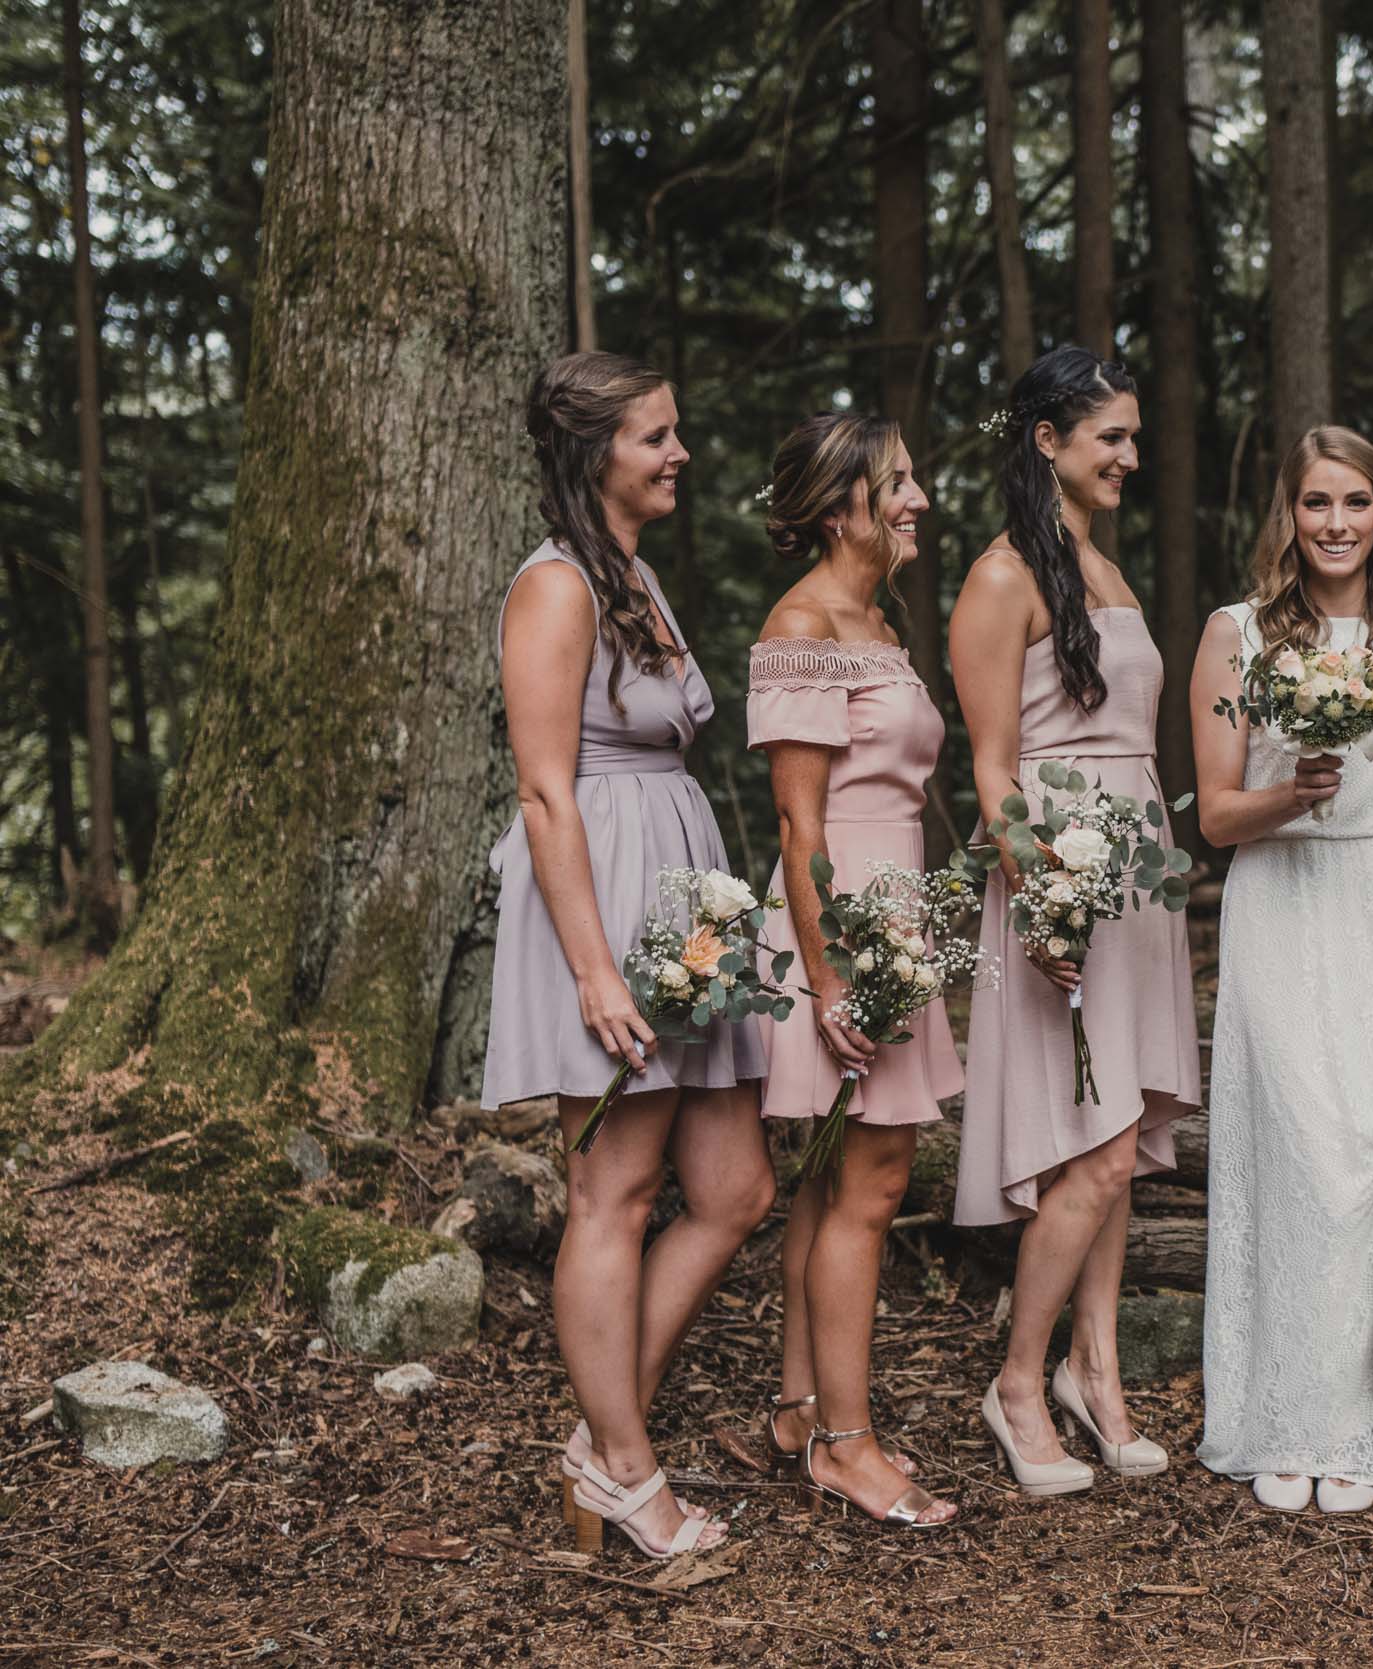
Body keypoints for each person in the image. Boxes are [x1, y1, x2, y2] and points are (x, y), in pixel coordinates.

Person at [485, 351, 772, 1558]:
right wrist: (597, 970)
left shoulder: (632, 573)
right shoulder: (555, 588)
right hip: (598, 909)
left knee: (736, 1188)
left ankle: (601, 1440)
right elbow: (547, 793)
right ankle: (625, 1466)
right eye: (656, 435)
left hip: (676, 910)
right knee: (614, 1189)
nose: (678, 453)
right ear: (594, 450)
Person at [1189, 427, 1373, 1515]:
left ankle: (1357, 1419)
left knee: (1370, 1146)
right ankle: (1282, 1414)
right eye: (1316, 503)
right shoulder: (1234, 636)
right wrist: (1294, 791)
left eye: (1355, 502)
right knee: (1291, 1152)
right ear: (1289, 512)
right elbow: (1218, 813)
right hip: (1277, 900)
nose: (1335, 524)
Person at [950, 344, 1200, 1496]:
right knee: (1091, 1149)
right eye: (1111, 437)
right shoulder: (1003, 578)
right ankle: (1015, 1378)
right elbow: (993, 766)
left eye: (1135, 437)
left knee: (1125, 1132)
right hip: (1061, 870)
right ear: (1047, 439)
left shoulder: (1104, 569)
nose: (1129, 458)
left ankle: (1096, 1374)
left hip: (1136, 871)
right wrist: (1042, 890)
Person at [749, 411, 957, 1529]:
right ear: (843, 508)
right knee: (871, 1189)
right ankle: (846, 1442)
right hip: (844, 933)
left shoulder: (876, 621)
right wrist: (831, 979)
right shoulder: (803, 625)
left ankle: (797, 1407)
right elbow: (799, 826)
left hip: (896, 921)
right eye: (899, 483)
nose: (918, 499)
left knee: (835, 1181)